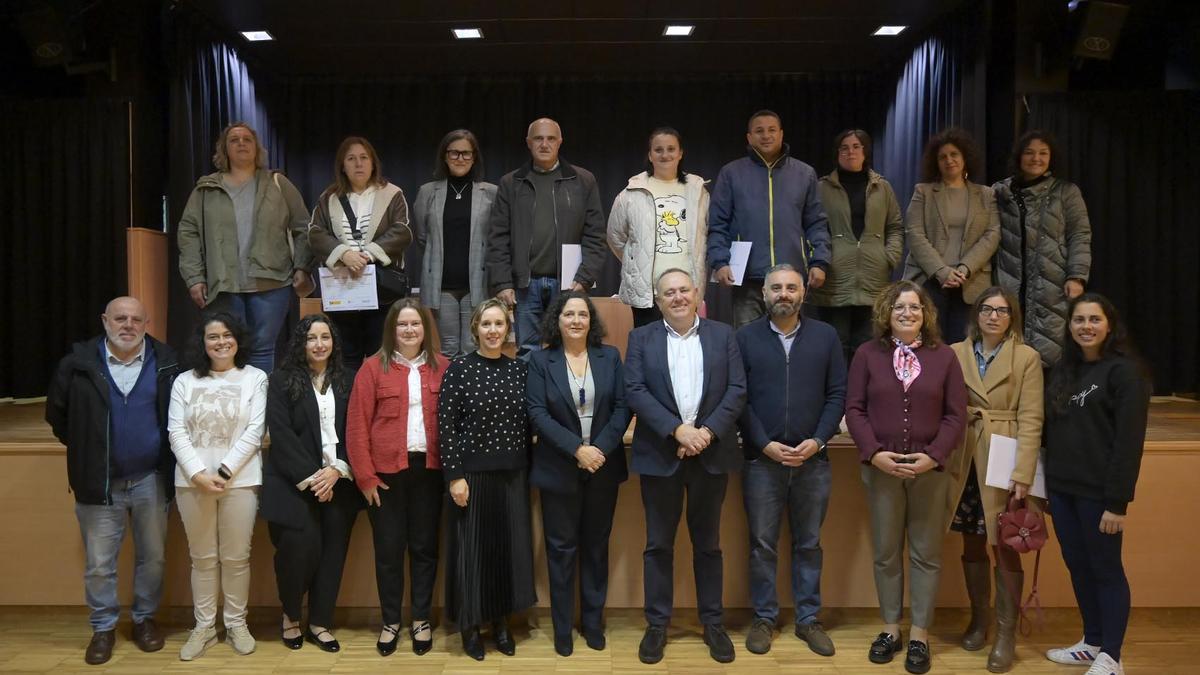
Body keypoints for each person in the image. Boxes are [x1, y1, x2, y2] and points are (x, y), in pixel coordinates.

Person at [46, 296, 180, 665]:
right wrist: (90, 450)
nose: (128, 325)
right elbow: (58, 417)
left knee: (152, 558)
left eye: (136, 319)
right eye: (120, 318)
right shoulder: (78, 364)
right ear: (105, 320)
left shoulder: (166, 362)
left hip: (151, 479)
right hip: (98, 483)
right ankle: (103, 627)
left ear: (146, 322)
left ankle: (143, 620)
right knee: (100, 563)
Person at [625, 268, 747, 665]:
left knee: (708, 545)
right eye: (668, 293)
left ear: (697, 294)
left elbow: (736, 390)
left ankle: (712, 623)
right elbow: (636, 391)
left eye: (683, 290)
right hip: (661, 455)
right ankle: (657, 625)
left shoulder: (723, 335)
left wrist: (705, 434)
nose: (677, 297)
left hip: (711, 455)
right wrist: (678, 431)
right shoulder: (640, 338)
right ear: (657, 300)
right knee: (658, 545)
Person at [845, 280, 967, 674]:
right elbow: (855, 409)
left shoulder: (944, 357)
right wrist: (874, 454)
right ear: (887, 312)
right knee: (885, 553)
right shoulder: (866, 354)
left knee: (926, 554)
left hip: (929, 472)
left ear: (925, 313)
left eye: (914, 307)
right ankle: (890, 630)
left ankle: (919, 634)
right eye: (899, 307)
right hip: (881, 470)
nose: (907, 313)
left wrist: (933, 457)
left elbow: (955, 415)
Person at [736, 264, 846, 657]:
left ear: (803, 293)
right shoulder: (745, 338)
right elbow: (739, 397)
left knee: (809, 543)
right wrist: (763, 443)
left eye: (791, 287)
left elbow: (837, 395)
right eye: (776, 288)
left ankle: (807, 619)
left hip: (812, 460)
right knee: (762, 545)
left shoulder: (826, 337)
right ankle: (764, 618)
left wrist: (818, 440)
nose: (784, 294)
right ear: (763, 294)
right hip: (761, 460)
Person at [1042, 293, 1150, 675]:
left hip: (1099, 495)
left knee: (1105, 569)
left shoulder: (1125, 373)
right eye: (1079, 320)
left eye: (1094, 320)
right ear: (1069, 327)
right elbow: (1050, 432)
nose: (1086, 326)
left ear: (1109, 325)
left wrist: (1117, 503)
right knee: (1078, 565)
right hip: (1062, 490)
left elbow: (1128, 444)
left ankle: (1112, 655)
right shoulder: (1063, 369)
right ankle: (1092, 642)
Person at [526, 291, 632, 656]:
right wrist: (577, 449)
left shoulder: (610, 357)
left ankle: (592, 623)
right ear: (557, 320)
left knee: (596, 549)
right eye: (568, 314)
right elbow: (537, 413)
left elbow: (622, 407)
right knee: (560, 551)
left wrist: (598, 449)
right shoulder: (540, 361)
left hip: (602, 467)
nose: (575, 320)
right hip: (559, 469)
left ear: (591, 321)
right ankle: (561, 629)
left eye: (582, 314)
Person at [347, 299, 450, 656]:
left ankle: (420, 618)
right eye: (402, 325)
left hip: (430, 473)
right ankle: (391, 620)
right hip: (386, 476)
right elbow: (357, 427)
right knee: (389, 551)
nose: (409, 330)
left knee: (424, 548)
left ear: (425, 329)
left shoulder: (444, 368)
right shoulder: (372, 369)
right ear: (392, 330)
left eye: (415, 324)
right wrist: (365, 478)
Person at [948, 287, 1044, 672]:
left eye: (1002, 311)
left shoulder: (1027, 358)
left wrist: (1023, 474)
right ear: (976, 315)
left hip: (1004, 457)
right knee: (971, 541)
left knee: (1004, 544)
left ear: (1012, 317)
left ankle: (1006, 633)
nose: (993, 316)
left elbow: (1033, 418)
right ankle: (979, 620)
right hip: (965, 454)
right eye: (986, 309)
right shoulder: (954, 352)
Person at [438, 299, 536, 660]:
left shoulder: (518, 371)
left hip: (512, 474)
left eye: (499, 324)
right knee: (472, 555)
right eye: (486, 324)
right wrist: (455, 477)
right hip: (472, 477)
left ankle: (500, 623)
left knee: (504, 553)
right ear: (475, 328)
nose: (493, 331)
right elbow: (446, 429)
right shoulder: (459, 369)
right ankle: (469, 626)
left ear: (507, 330)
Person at [167, 312, 268, 660]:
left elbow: (255, 431)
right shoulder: (184, 381)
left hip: (240, 481)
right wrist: (197, 473)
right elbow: (176, 432)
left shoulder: (255, 378)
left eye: (227, 335)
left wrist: (223, 472)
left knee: (236, 558)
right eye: (213, 337)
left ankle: (236, 623)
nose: (221, 342)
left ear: (238, 340)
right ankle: (205, 626)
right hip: (191, 483)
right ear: (202, 343)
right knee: (203, 558)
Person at [261, 314, 363, 653]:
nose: (319, 344)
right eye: (311, 338)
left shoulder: (350, 379)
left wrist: (338, 470)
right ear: (300, 343)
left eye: (325, 337)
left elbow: (359, 430)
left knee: (333, 554)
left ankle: (320, 622)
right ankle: (291, 616)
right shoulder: (281, 380)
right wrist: (314, 478)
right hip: (294, 484)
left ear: (334, 342)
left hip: (342, 481)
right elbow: (282, 434)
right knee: (298, 550)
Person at [177, 121, 313, 374]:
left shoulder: (278, 183)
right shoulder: (206, 188)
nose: (241, 143)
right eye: (234, 140)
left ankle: (259, 410)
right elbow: (188, 233)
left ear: (257, 148)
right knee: (226, 348)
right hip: (223, 284)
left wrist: (302, 266)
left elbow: (304, 227)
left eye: (247, 139)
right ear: (224, 150)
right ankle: (232, 408)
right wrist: (194, 277)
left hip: (272, 282)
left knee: (262, 348)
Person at [486, 118, 606, 355]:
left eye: (551, 138)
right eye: (538, 138)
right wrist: (503, 282)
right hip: (525, 285)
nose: (544, 144)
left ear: (560, 142)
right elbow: (498, 237)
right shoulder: (511, 183)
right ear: (528, 143)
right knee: (527, 351)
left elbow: (595, 235)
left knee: (567, 350)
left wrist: (584, 277)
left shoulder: (583, 181)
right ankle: (531, 395)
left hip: (568, 283)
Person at [707, 109, 832, 327]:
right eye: (759, 131)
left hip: (791, 279)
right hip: (747, 280)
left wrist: (819, 262)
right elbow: (718, 224)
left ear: (781, 134)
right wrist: (720, 262)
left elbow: (816, 223)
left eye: (772, 130)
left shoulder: (804, 174)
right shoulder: (731, 173)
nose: (766, 136)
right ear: (749, 137)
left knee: (792, 343)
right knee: (747, 344)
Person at [308, 136, 413, 366]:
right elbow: (315, 233)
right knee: (346, 356)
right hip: (343, 290)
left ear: (373, 163)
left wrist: (368, 254)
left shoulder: (392, 193)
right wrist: (343, 253)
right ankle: (350, 401)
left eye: (364, 158)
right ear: (342, 166)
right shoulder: (329, 197)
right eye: (351, 159)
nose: (358, 164)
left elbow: (402, 231)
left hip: (382, 291)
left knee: (381, 355)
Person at [993, 130, 1093, 368]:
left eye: (1042, 153)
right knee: (1008, 354)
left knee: (1050, 353)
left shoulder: (1066, 192)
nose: (1035, 158)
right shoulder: (999, 192)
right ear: (1019, 157)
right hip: (1010, 282)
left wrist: (1077, 275)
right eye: (1029, 152)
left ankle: (1049, 404)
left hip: (1052, 284)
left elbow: (1080, 235)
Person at [810, 129, 904, 365]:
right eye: (844, 147)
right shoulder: (821, 188)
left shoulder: (883, 188)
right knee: (834, 349)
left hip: (874, 282)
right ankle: (838, 401)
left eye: (856, 146)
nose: (850, 151)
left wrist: (889, 257)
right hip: (834, 281)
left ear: (866, 151)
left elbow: (895, 227)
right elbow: (810, 227)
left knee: (868, 350)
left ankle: (862, 402)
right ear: (837, 153)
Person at [902, 127, 1000, 345]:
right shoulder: (923, 192)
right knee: (927, 344)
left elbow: (992, 235)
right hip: (930, 280)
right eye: (942, 157)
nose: (949, 160)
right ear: (935, 162)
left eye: (954, 154)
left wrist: (964, 268)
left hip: (971, 281)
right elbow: (914, 233)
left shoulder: (986, 194)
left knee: (964, 347)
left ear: (965, 158)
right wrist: (942, 271)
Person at [607, 126, 710, 327]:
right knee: (649, 351)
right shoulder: (631, 192)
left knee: (684, 351)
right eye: (658, 150)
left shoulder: (698, 191)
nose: (665, 154)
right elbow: (615, 237)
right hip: (647, 291)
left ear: (680, 153)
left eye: (671, 149)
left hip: (687, 288)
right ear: (650, 155)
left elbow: (706, 233)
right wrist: (637, 260)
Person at [413, 129, 498, 356]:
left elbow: (496, 238)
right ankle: (452, 393)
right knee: (448, 348)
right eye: (454, 153)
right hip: (442, 287)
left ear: (474, 157)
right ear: (444, 156)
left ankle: (471, 393)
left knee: (473, 347)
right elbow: (422, 237)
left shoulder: (490, 193)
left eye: (466, 154)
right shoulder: (428, 192)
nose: (460, 159)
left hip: (477, 284)